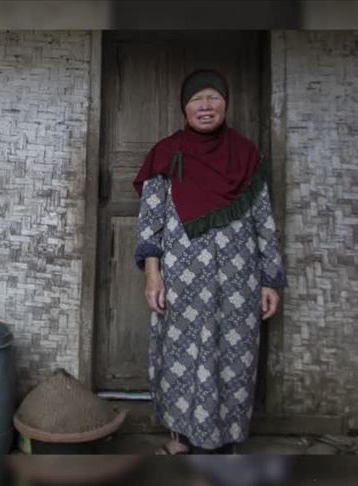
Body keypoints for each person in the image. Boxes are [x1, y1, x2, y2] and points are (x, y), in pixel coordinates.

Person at [133, 69, 286, 455]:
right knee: (182, 357)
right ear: (184, 108)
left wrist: (270, 279)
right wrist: (153, 275)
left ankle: (223, 447)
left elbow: (263, 220)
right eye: (197, 99)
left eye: (213, 98)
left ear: (226, 104)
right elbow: (150, 222)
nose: (206, 106)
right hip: (182, 280)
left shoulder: (247, 155)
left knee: (233, 360)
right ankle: (182, 440)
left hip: (240, 280)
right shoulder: (167, 154)